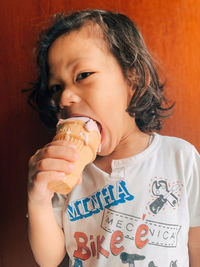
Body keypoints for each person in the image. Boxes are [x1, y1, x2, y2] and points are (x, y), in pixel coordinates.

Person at [27, 9, 200, 267]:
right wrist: (37, 198)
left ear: (133, 79)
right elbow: (49, 259)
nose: (64, 99)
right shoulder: (65, 172)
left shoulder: (180, 158)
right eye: (57, 87)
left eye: (83, 75)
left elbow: (196, 245)